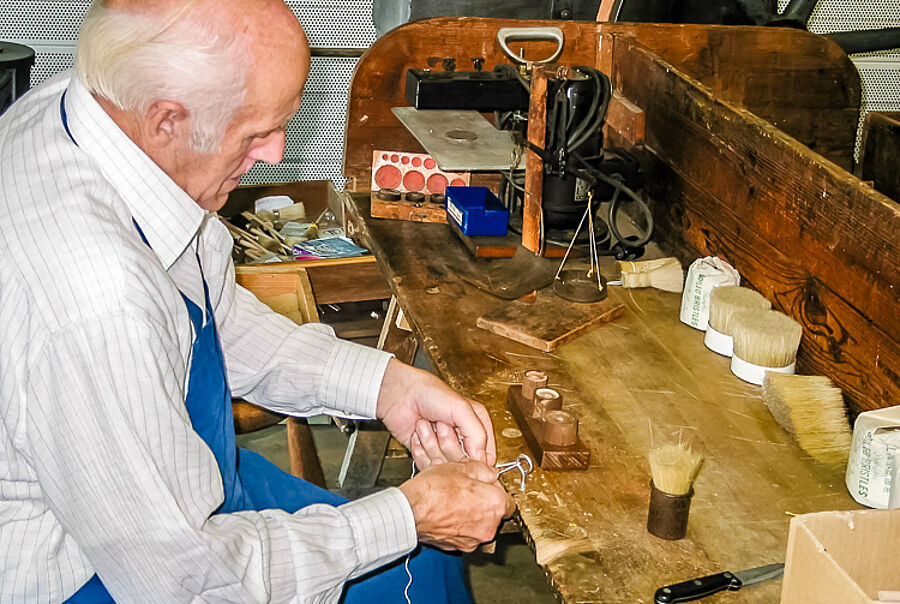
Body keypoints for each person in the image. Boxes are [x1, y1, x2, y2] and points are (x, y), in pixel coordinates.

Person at [0, 0, 514, 601]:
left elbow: (208, 316)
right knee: (415, 572)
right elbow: (185, 581)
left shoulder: (90, 107)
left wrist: (386, 385)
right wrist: (407, 517)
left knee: (423, 567)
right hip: (95, 567)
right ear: (166, 119)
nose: (275, 153)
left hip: (168, 482)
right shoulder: (97, 304)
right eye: (257, 132)